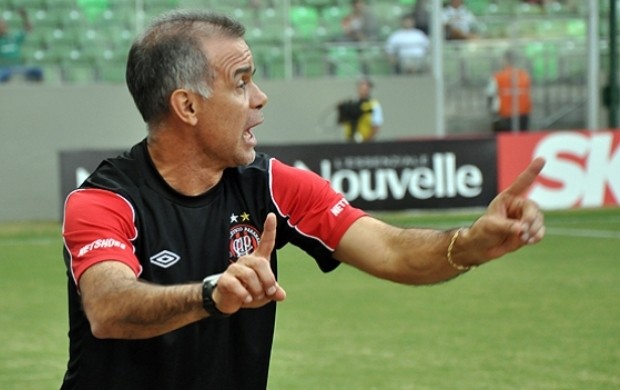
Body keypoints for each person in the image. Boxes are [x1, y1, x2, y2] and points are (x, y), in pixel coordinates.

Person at [60, 9, 546, 390]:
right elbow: (108, 308)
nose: (260, 97)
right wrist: (212, 294)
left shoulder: (271, 184)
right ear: (187, 106)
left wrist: (471, 244)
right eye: (241, 81)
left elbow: (392, 250)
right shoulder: (104, 200)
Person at [486, 50, 532, 132]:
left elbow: (490, 94)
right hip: (523, 114)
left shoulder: (498, 77)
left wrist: (492, 112)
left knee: (505, 140)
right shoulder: (525, 75)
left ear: (505, 60)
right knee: (521, 139)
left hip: (505, 114)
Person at [0, 8, 43, 83]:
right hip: (4, 68)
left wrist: (25, 16)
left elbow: (28, 28)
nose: (3, 27)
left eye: (4, 25)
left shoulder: (12, 38)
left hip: (18, 67)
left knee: (38, 71)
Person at [336, 77, 383, 142]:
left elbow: (376, 125)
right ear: (358, 88)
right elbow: (342, 122)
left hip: (366, 141)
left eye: (366, 87)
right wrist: (342, 110)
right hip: (350, 140)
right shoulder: (351, 104)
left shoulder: (374, 105)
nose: (364, 89)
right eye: (362, 86)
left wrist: (367, 141)